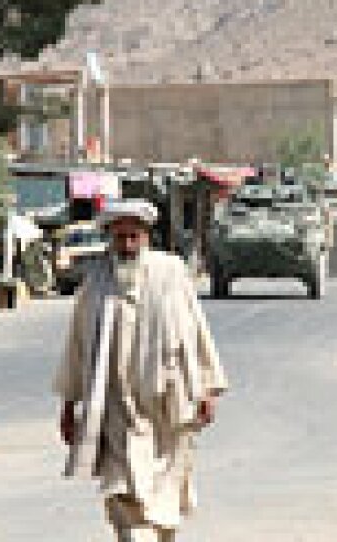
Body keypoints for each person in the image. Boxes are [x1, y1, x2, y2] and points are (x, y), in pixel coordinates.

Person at [55, 199, 228, 542]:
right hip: (117, 410)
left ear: (146, 237)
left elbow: (196, 329)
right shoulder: (95, 283)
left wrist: (208, 387)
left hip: (167, 407)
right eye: (120, 238)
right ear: (109, 238)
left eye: (134, 237)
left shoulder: (171, 272)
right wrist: (69, 405)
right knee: (125, 494)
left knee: (163, 505)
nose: (127, 245)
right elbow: (77, 346)